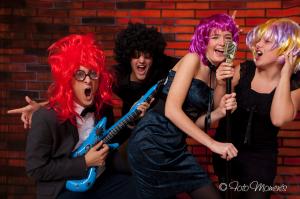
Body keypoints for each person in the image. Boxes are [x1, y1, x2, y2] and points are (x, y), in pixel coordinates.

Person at [8, 22, 179, 173]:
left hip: (146, 134)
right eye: (136, 55)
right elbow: (77, 90)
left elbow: (186, 63)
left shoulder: (158, 72)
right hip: (115, 146)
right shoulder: (117, 77)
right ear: (128, 56)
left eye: (147, 55)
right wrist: (41, 106)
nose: (141, 60)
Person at [127, 13, 239, 199]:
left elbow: (196, 123)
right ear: (204, 39)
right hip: (150, 143)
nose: (221, 42)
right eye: (215, 36)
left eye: (227, 37)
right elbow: (172, 110)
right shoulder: (192, 59)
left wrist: (219, 112)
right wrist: (214, 145)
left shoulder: (216, 74)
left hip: (176, 149)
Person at [25, 34, 137, 199]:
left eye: (93, 74)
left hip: (101, 179)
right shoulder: (45, 118)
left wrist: (130, 123)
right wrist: (84, 162)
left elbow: (110, 140)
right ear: (68, 79)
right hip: (65, 187)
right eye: (79, 74)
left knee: (144, 189)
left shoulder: (102, 108)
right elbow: (35, 169)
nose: (88, 81)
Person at [213, 18, 300, 199]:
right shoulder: (244, 70)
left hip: (261, 162)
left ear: (286, 49)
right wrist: (221, 84)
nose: (257, 45)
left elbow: (278, 119)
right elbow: (217, 109)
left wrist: (285, 75)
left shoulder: (294, 84)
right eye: (258, 40)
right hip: (228, 153)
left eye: (266, 41)